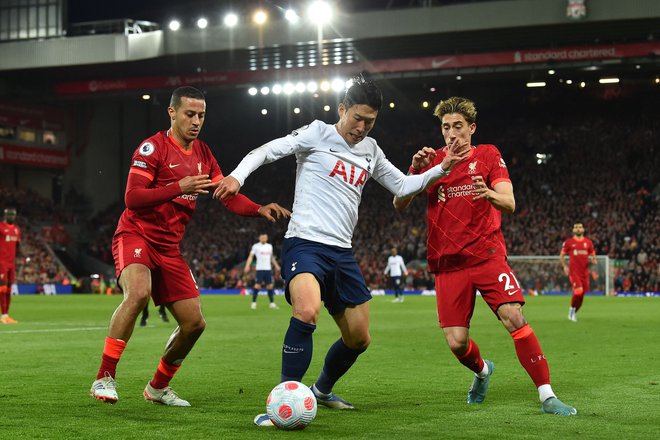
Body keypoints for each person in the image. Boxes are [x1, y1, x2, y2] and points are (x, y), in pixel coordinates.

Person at [213, 75, 469, 426]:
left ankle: (320, 390)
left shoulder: (371, 150)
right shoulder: (318, 132)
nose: (362, 128)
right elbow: (267, 150)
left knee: (359, 338)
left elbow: (403, 186)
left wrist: (442, 168)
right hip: (305, 242)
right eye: (357, 119)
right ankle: (284, 400)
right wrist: (237, 178)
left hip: (342, 253)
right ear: (342, 109)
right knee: (307, 311)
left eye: (370, 122)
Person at [89, 86, 290, 406]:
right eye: (190, 114)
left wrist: (258, 208)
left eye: (202, 116)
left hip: (170, 249)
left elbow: (227, 194)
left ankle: (157, 388)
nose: (196, 121)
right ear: (172, 113)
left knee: (194, 323)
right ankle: (105, 376)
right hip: (136, 235)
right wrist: (177, 187)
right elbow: (132, 199)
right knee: (138, 293)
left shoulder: (203, 155)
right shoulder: (152, 148)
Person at [393, 96, 577, 416]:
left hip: (486, 254)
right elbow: (399, 203)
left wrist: (488, 193)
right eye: (446, 127)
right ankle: (483, 372)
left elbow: (509, 202)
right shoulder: (434, 161)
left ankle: (547, 396)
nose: (451, 134)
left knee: (514, 318)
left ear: (471, 128)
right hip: (448, 263)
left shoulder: (488, 154)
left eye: (458, 127)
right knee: (457, 343)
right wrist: (415, 170)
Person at [560, 222, 597, 322]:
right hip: (574, 272)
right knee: (578, 291)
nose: (578, 229)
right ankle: (571, 312)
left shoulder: (588, 243)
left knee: (581, 297)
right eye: (576, 227)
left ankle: (573, 312)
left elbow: (593, 256)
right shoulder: (569, 242)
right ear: (573, 230)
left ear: (583, 229)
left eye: (580, 227)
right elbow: (562, 256)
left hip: (584, 273)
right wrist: (565, 266)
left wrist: (593, 261)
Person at [244, 233, 281, 310]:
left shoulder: (269, 246)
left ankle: (272, 303)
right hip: (260, 269)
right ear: (259, 238)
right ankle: (254, 303)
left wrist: (276, 265)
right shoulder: (256, 246)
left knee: (270, 286)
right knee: (257, 285)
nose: (263, 238)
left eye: (265, 237)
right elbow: (250, 256)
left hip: (268, 269)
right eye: (262, 237)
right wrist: (247, 265)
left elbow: (271, 258)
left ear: (267, 238)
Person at [0, 207, 20, 324]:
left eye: (13, 215)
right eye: (9, 215)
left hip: (11, 263)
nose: (11, 217)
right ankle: (3, 316)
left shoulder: (17, 230)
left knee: (8, 290)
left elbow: (17, 245)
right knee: (2, 289)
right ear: (5, 215)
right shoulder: (1, 227)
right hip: (1, 262)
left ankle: (6, 315)